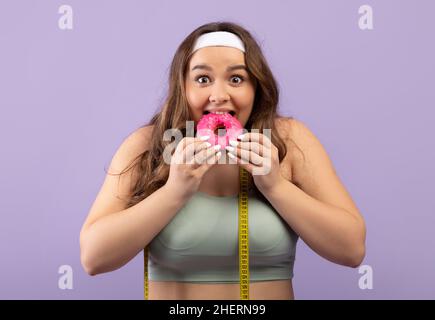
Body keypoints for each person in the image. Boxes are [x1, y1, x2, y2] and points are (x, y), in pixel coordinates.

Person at [79, 21, 366, 300]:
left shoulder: (287, 141)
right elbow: (93, 258)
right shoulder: (150, 145)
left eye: (236, 79)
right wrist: (173, 192)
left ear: (256, 87)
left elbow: (352, 250)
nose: (219, 96)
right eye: (203, 79)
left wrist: (276, 187)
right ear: (183, 87)